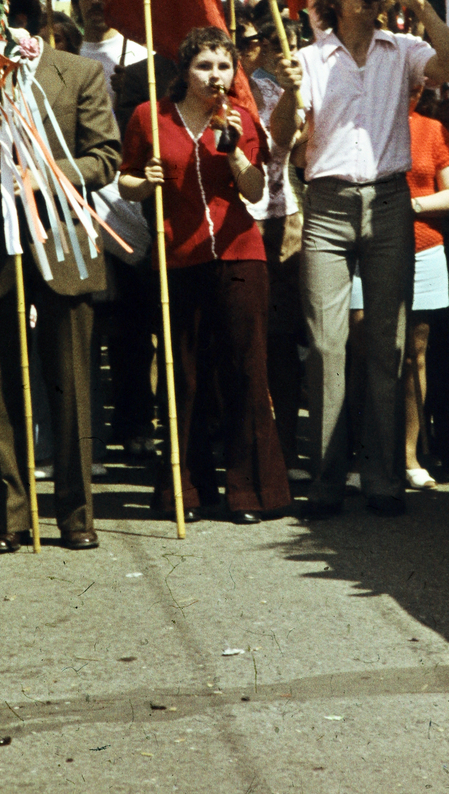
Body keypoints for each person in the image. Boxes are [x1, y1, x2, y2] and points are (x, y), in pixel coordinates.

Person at [271, 0, 449, 517]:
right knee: (328, 345)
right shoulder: (308, 58)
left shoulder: (402, 49)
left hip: (389, 203)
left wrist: (420, 2)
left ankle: (383, 477)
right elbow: (283, 139)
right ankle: (328, 478)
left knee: (389, 345)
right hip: (329, 205)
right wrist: (289, 93)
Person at [0, 0, 120, 553]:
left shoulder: (78, 72)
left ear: (28, 21)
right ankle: (10, 518)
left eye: (3, 23)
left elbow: (106, 155)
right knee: (1, 390)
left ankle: (76, 513)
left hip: (62, 246)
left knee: (70, 387)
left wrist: (57, 175)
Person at [119, 26, 292, 523]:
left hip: (239, 252)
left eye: (223, 66)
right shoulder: (149, 116)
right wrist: (141, 181)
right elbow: (126, 179)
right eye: (204, 66)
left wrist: (236, 148)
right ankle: (187, 490)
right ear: (185, 71)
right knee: (185, 375)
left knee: (245, 371)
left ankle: (250, 492)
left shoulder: (242, 117)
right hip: (178, 256)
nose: (215, 76)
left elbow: (257, 192)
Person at [248, 17, 305, 474]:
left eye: (295, 39)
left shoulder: (298, 82)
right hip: (242, 220)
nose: (285, 50)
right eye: (268, 42)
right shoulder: (242, 88)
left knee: (284, 339)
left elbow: (291, 142)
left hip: (284, 216)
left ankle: (284, 446)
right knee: (250, 338)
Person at [402, 90, 449, 489]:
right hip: (367, 248)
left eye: (415, 84)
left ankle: (408, 455)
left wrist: (415, 206)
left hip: (424, 249)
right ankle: (365, 452)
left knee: (415, 357)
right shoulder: (363, 125)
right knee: (363, 352)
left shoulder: (431, 129)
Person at [72, 0, 147, 101]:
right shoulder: (68, 55)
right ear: (76, 4)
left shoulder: (142, 57)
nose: (95, 1)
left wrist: (134, 87)